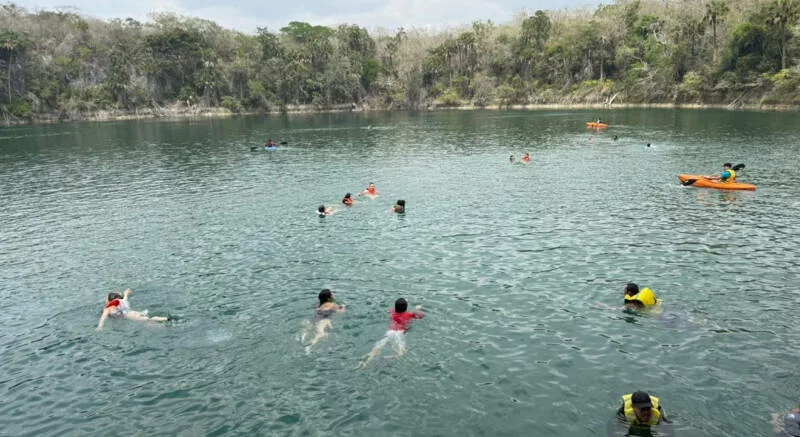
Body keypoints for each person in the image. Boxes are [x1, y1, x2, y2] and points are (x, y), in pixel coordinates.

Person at [357, 298, 424, 368]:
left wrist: (403, 302)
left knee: (378, 347)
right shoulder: (409, 314)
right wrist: (417, 309)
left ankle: (366, 361)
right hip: (400, 333)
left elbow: (389, 311)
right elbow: (421, 316)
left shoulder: (392, 311)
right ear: (406, 307)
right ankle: (390, 358)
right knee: (401, 352)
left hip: (390, 332)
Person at [97, 289, 168, 331]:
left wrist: (100, 327)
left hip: (130, 315)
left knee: (148, 320)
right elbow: (125, 297)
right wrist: (126, 293)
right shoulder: (122, 301)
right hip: (135, 312)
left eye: (106, 299)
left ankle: (166, 321)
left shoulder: (108, 308)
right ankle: (165, 322)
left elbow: (103, 318)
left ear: (109, 300)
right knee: (148, 321)